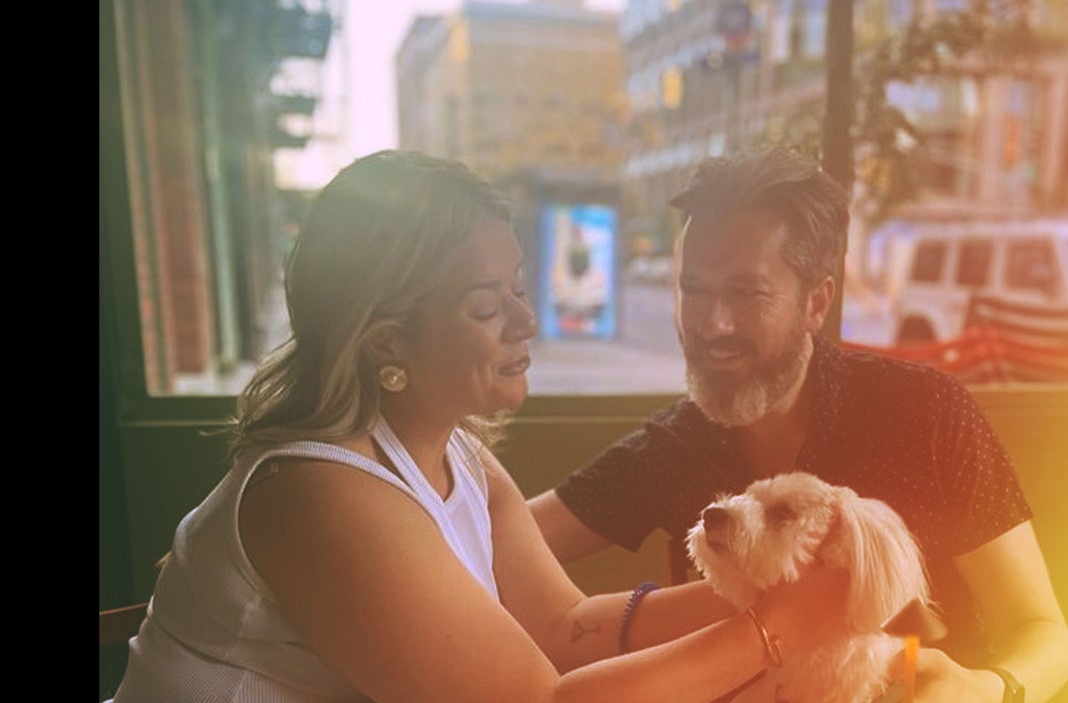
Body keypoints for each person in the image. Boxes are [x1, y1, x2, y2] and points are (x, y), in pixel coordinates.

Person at [107, 150, 855, 703]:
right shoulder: (321, 495)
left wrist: (791, 591)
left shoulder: (456, 455)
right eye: (488, 307)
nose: (527, 321)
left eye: (520, 290)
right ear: (386, 339)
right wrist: (772, 631)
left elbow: (566, 628)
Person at [530, 146, 1068, 703]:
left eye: (745, 293)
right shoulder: (673, 445)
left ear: (816, 303)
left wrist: (991, 688)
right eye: (693, 290)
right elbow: (504, 540)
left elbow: (1042, 630)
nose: (711, 323)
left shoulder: (926, 412)